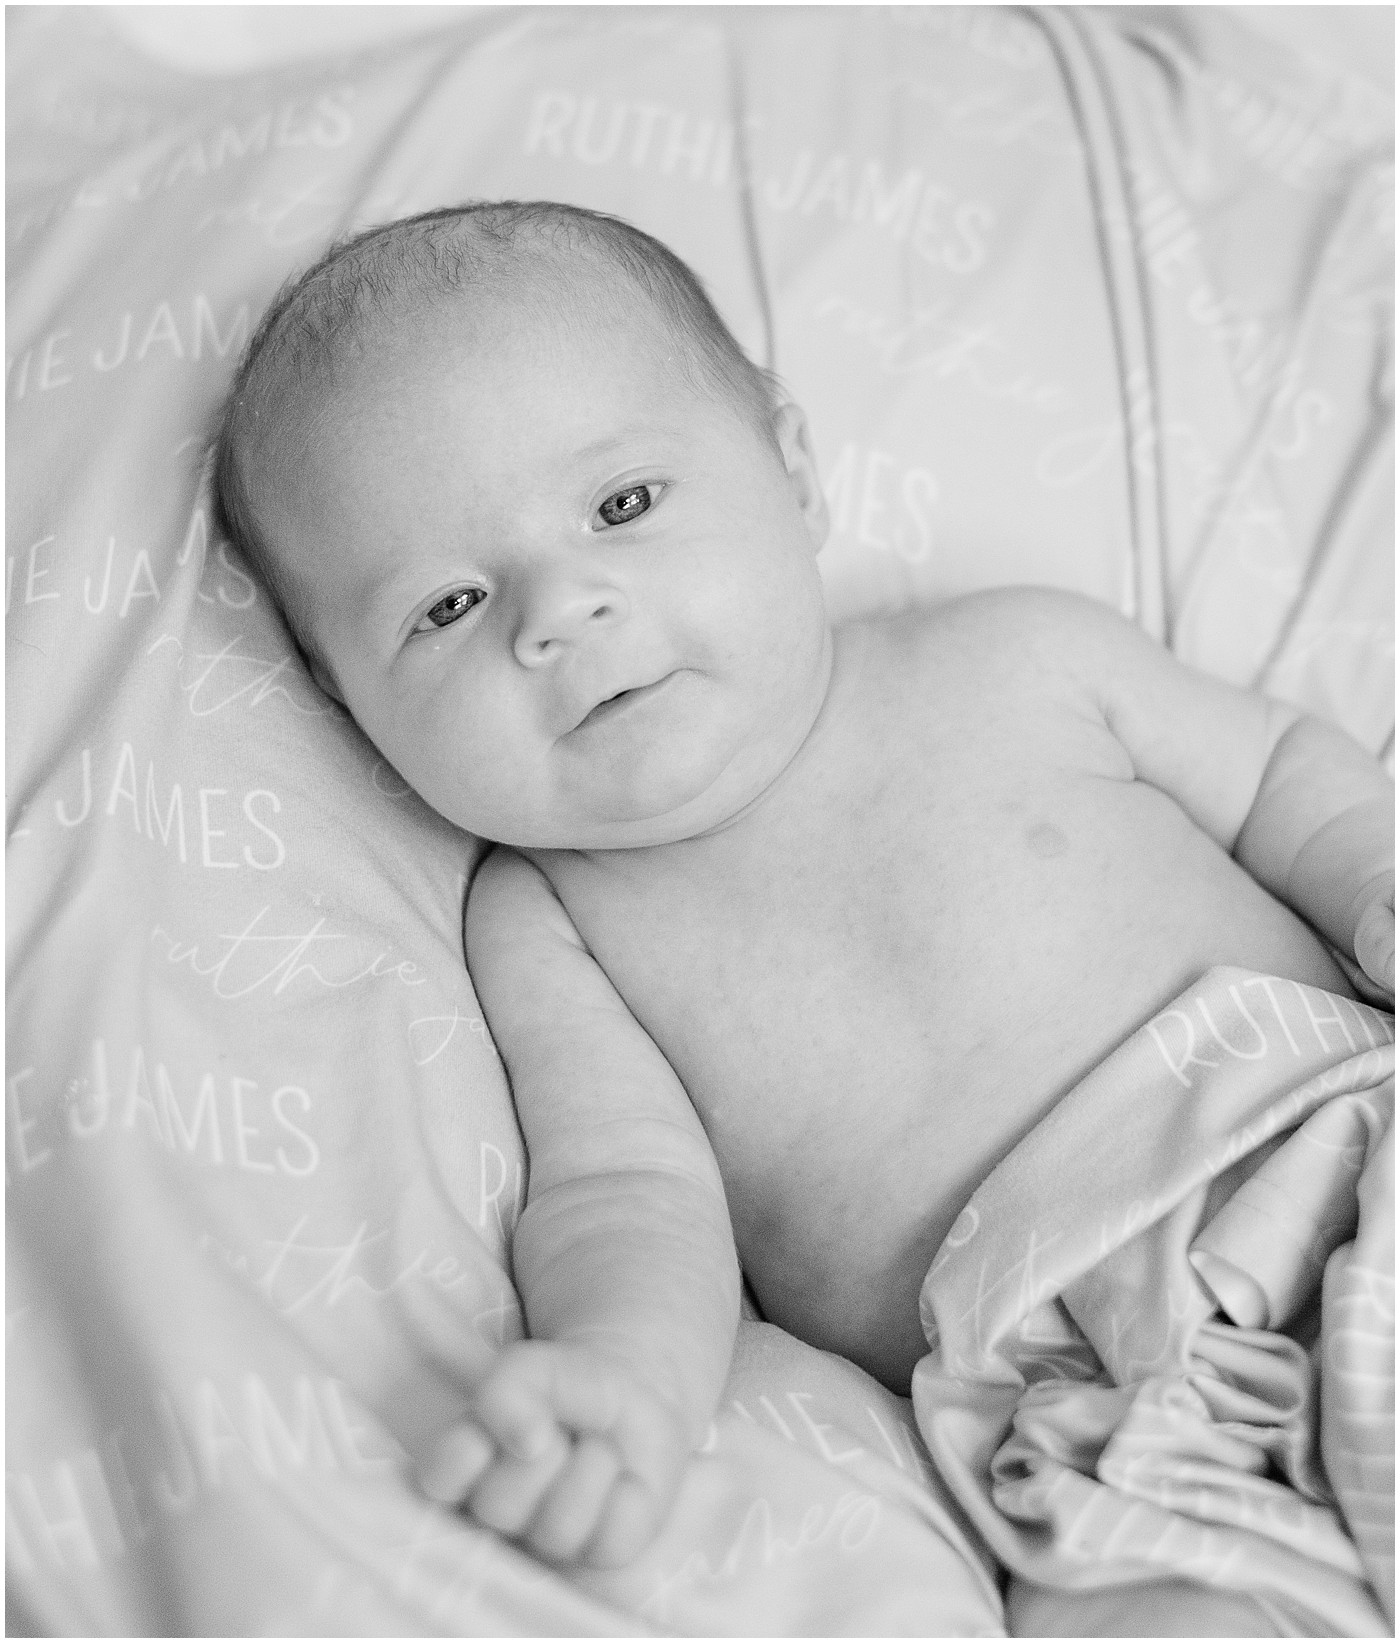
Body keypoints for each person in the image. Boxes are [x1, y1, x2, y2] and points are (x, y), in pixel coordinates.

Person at [214, 200, 1393, 1591]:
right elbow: (626, 1193)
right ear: (352, 717)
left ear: (793, 471)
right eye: (448, 608)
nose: (557, 609)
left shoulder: (1013, 655)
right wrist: (625, 1378)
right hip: (1088, 1413)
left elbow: (1282, 783)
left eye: (622, 506)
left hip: (1329, 1159)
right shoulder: (549, 926)